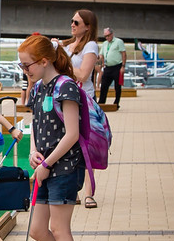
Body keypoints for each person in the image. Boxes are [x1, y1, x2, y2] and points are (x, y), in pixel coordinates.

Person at [18, 34, 91, 241]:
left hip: (65, 168)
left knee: (60, 229)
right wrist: (33, 153)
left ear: (44, 61)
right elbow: (36, 127)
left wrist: (48, 164)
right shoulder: (38, 89)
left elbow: (71, 134)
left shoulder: (65, 87)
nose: (26, 72)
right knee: (37, 230)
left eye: (28, 66)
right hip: (45, 168)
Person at [60, 9, 99, 209]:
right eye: (72, 21)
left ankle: (89, 193)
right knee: (70, 147)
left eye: (77, 21)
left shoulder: (91, 45)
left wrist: (63, 61)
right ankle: (73, 189)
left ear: (88, 26)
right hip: (67, 100)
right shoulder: (68, 45)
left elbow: (83, 75)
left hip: (85, 101)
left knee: (85, 148)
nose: (72, 24)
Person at [98, 27, 126, 107]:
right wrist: (101, 63)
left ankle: (116, 102)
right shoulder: (104, 43)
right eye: (105, 36)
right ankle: (101, 101)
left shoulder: (118, 42)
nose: (107, 38)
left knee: (117, 86)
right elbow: (101, 54)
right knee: (104, 85)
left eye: (108, 35)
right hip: (108, 67)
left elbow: (123, 53)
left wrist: (123, 66)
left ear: (112, 34)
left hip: (117, 66)